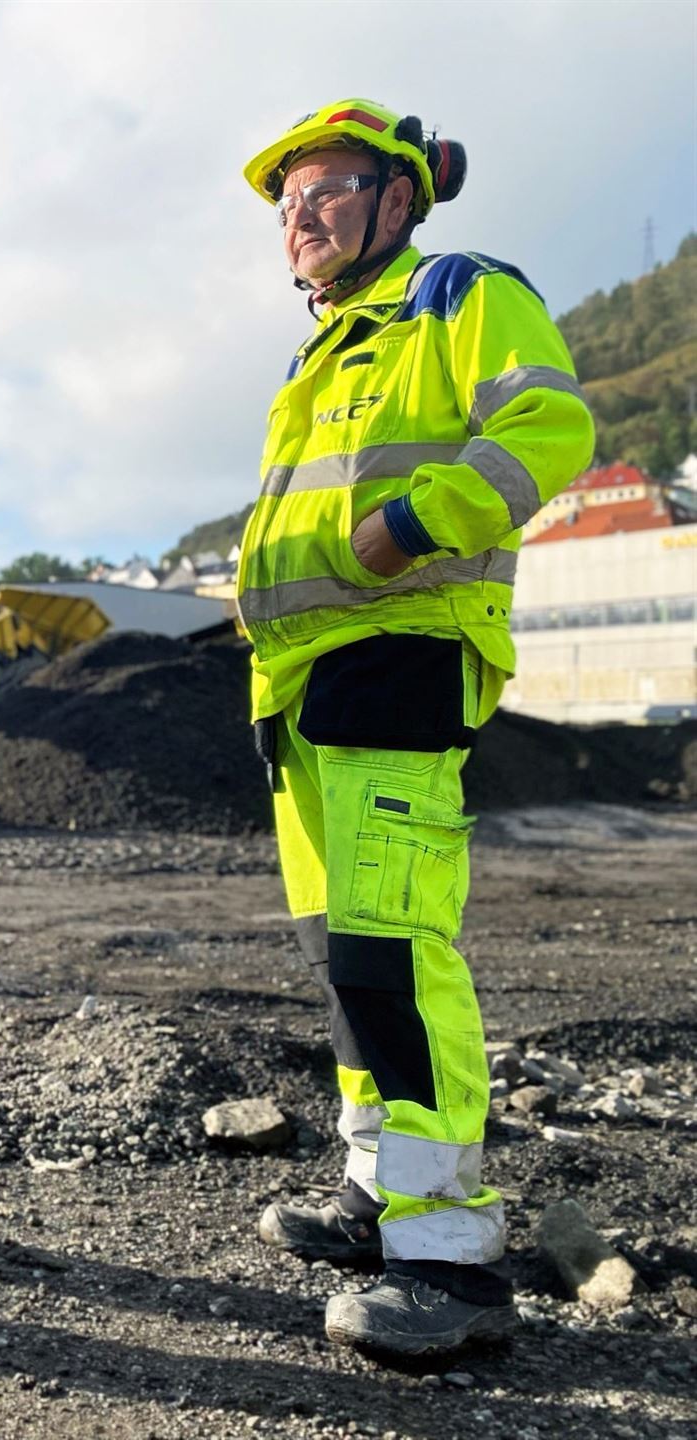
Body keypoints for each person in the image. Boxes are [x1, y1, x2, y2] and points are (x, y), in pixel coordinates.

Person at [235, 99, 593, 1353]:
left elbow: (551, 426)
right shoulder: (324, 351)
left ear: (396, 198)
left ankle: (452, 1260)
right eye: (288, 200)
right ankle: (378, 1190)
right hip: (304, 684)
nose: (301, 214)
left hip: (399, 660)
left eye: (326, 187)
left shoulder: (456, 294)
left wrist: (418, 521)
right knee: (347, 958)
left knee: (397, 950)